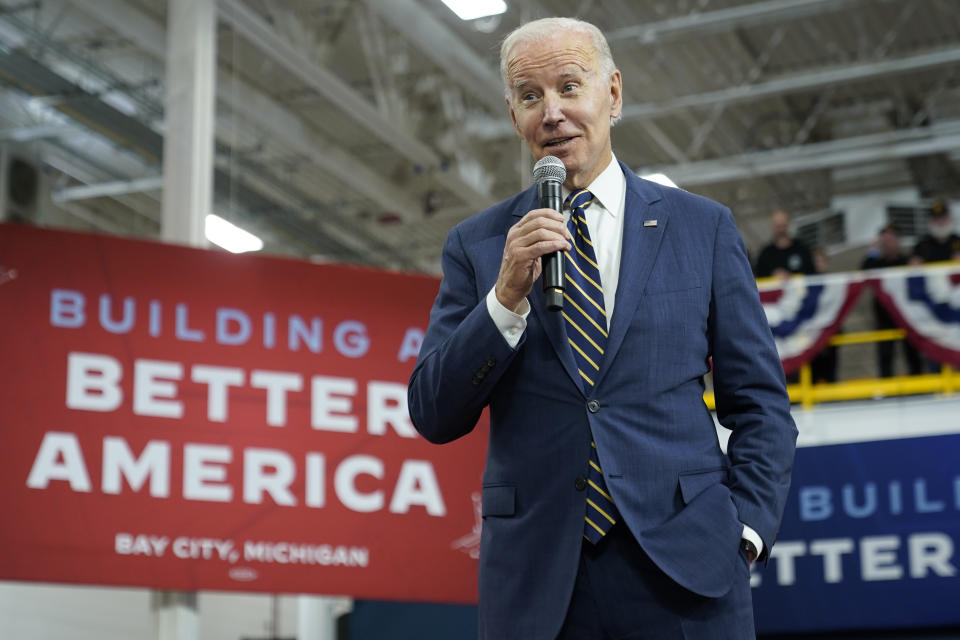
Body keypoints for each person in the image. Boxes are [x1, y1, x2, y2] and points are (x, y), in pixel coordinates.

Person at [408, 17, 796, 640]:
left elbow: (761, 407)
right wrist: (505, 298)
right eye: (530, 97)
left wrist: (744, 533)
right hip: (538, 585)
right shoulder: (477, 247)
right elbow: (433, 412)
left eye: (569, 86)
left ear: (612, 94)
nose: (552, 113)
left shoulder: (703, 228)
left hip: (689, 570)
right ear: (513, 116)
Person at [862, 224, 923, 378]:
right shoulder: (877, 262)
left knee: (912, 352)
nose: (888, 244)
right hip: (884, 315)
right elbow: (864, 269)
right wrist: (873, 250)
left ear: (898, 240)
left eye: (891, 239)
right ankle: (886, 386)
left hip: (907, 313)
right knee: (885, 354)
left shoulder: (906, 261)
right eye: (885, 240)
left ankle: (918, 386)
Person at [753, 209, 816, 278]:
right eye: (778, 226)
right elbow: (758, 278)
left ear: (789, 224)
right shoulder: (765, 254)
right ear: (772, 226)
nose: (781, 230)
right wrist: (773, 276)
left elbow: (812, 275)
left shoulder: (802, 249)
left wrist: (791, 277)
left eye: (783, 225)